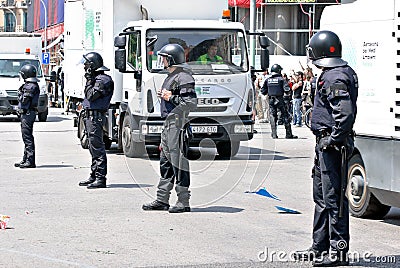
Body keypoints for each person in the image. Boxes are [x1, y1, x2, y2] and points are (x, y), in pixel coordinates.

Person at [293, 30, 358, 267]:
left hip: (332, 145)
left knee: (334, 199)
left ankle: (338, 251)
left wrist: (333, 139)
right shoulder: (333, 73)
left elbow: (345, 113)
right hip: (325, 143)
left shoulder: (334, 77)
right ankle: (319, 246)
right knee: (321, 196)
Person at [142, 44, 197, 213]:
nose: (163, 61)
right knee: (166, 162)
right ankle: (162, 199)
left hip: (177, 124)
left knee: (178, 162)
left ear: (172, 58)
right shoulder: (172, 76)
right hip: (168, 123)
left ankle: (183, 201)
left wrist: (170, 97)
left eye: (165, 57)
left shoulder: (184, 77)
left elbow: (190, 103)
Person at [78, 52, 114, 189]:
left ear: (92, 65)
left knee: (97, 148)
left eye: (87, 64)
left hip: (96, 117)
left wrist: (88, 80)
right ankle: (94, 175)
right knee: (92, 148)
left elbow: (91, 95)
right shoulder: (96, 79)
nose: (84, 66)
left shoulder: (103, 80)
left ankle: (100, 178)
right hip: (90, 116)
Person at [261, 64, 297, 139]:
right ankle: (288, 134)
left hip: (271, 99)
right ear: (279, 71)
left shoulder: (268, 80)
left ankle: (274, 134)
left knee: (272, 115)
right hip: (280, 99)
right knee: (285, 115)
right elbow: (287, 90)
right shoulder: (281, 79)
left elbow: (263, 91)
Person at [14, 64, 40, 169]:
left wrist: (19, 93)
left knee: (27, 137)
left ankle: (30, 160)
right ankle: (26, 159)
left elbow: (24, 100)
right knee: (26, 137)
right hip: (27, 113)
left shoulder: (30, 86)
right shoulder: (30, 85)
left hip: (28, 113)